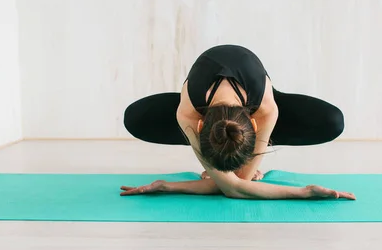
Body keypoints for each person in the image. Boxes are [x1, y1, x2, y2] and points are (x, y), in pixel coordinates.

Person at [121, 44, 355, 200]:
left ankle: (231, 145)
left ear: (254, 125)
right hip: (210, 116)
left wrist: (176, 185)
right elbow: (233, 188)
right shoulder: (188, 113)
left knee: (332, 121)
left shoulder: (266, 110)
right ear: (200, 126)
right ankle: (225, 144)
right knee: (135, 118)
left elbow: (235, 185)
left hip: (260, 109)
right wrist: (303, 192)